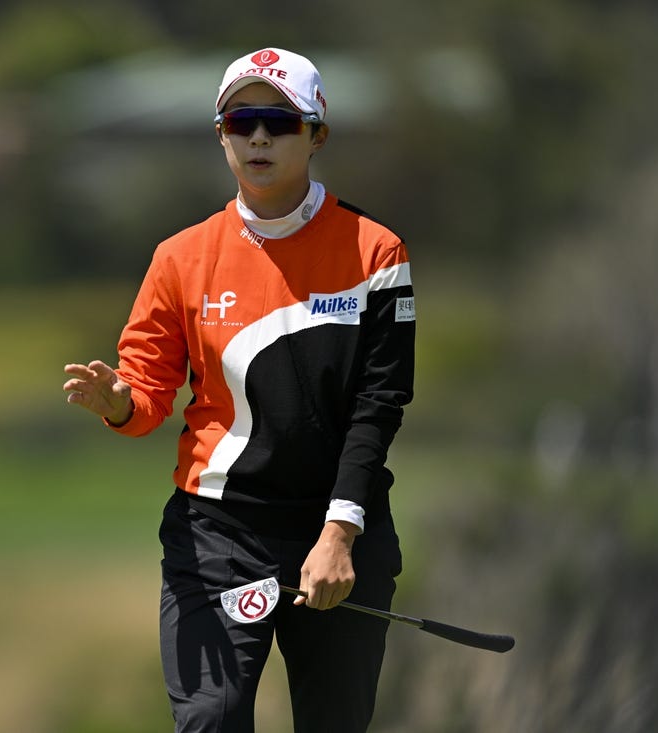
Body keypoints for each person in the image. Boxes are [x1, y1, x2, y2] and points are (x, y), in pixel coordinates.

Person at [63, 47, 415, 733]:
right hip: (218, 533)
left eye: (279, 122)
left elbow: (379, 406)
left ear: (317, 134)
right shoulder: (180, 257)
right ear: (220, 132)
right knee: (211, 721)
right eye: (240, 120)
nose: (257, 137)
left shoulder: (377, 252)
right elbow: (147, 392)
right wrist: (118, 403)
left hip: (338, 529)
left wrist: (339, 534)